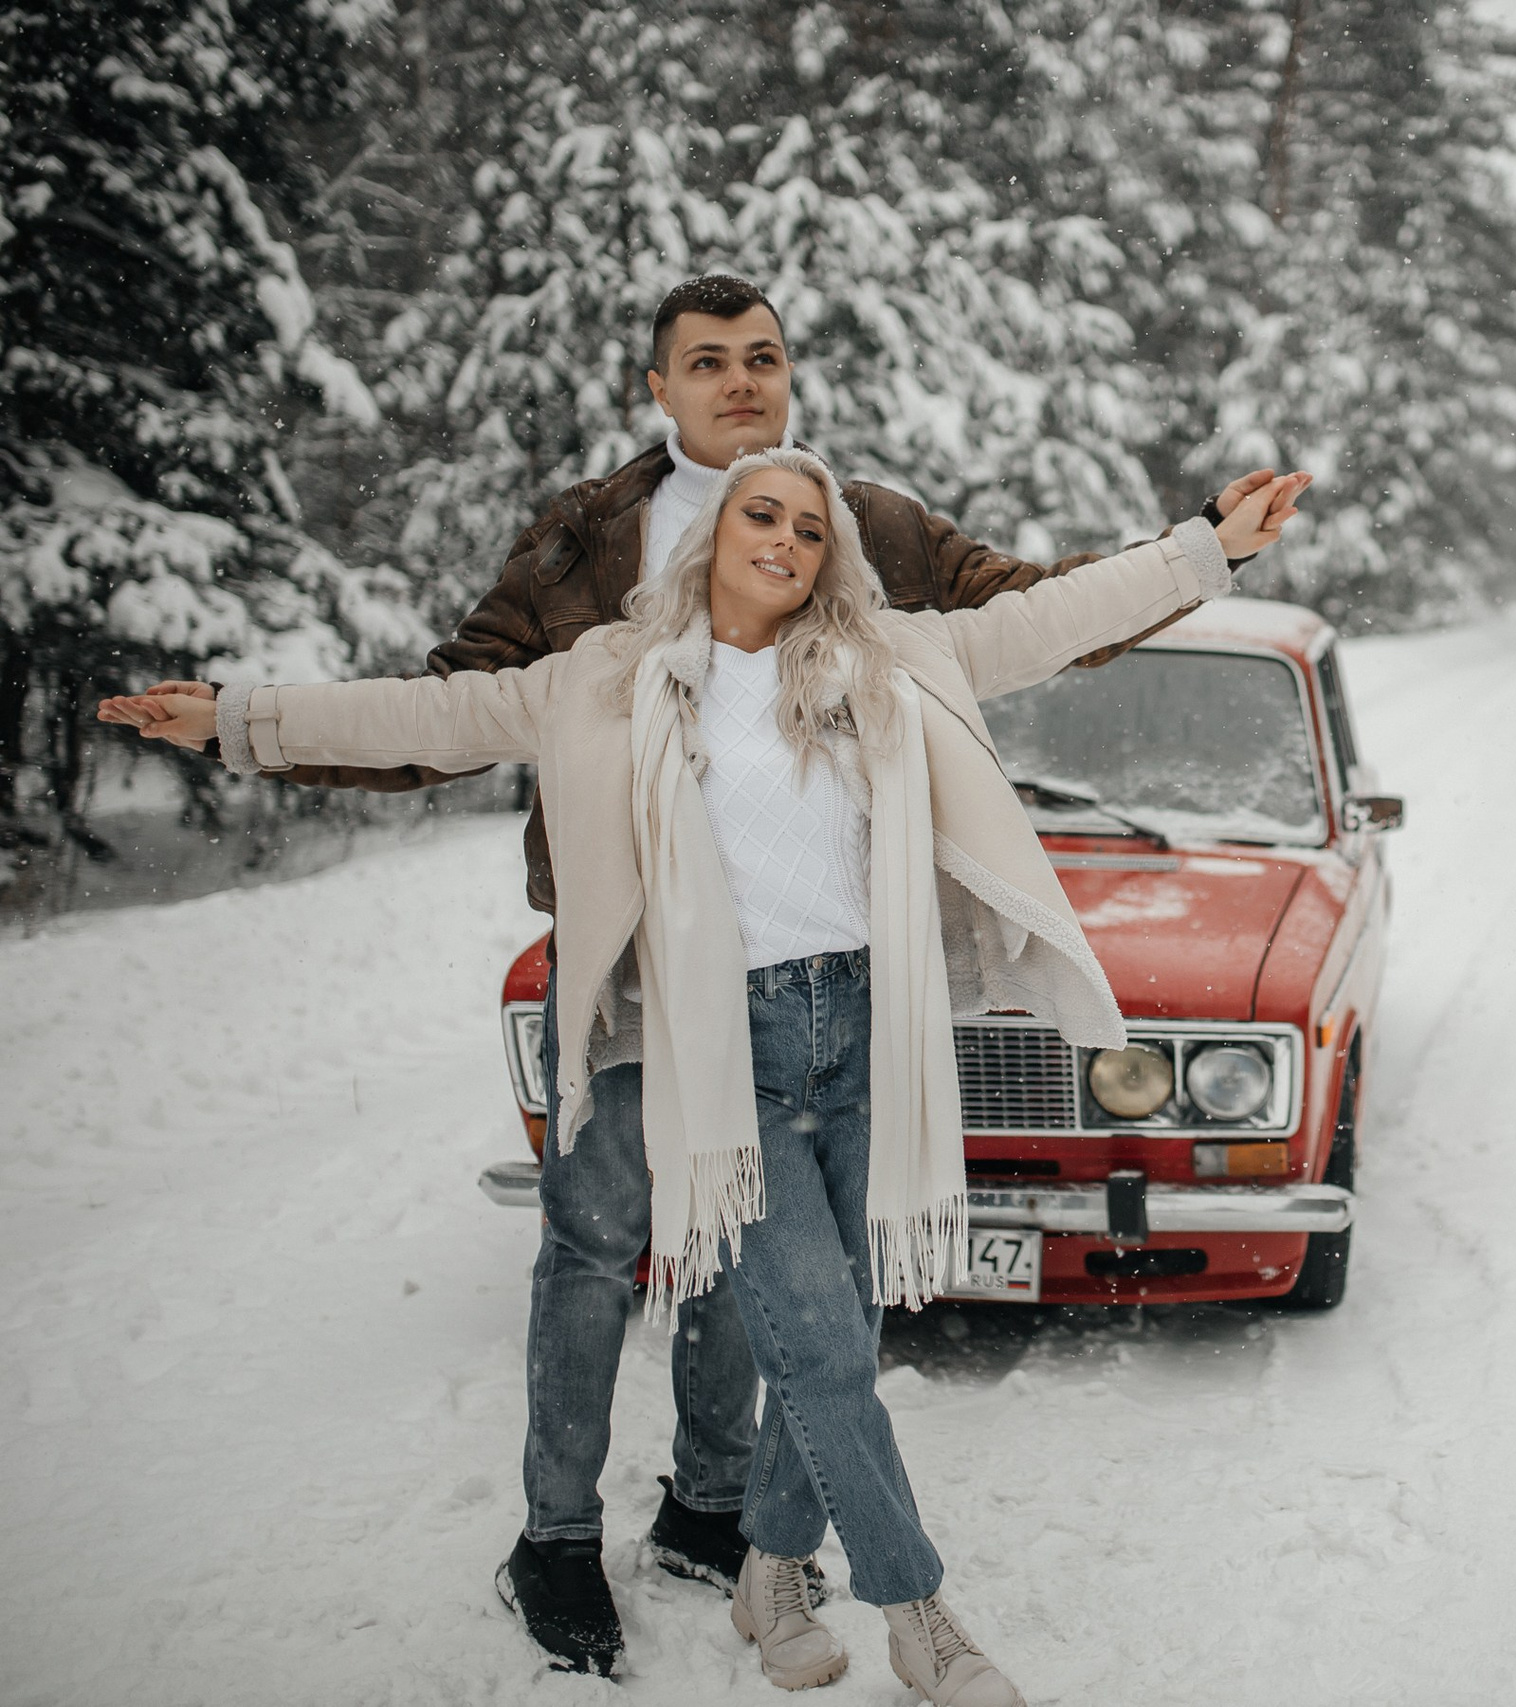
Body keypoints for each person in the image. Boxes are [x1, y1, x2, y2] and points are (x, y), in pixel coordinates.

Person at [99, 271, 1296, 1676]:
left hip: (871, 1026)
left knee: (825, 1319)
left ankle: (760, 1561)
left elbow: (1041, 619)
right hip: (703, 1027)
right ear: (674, 442)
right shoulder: (604, 653)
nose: (783, 530)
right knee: (709, 1293)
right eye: (756, 512)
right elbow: (432, 711)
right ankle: (888, 1614)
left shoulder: (880, 646)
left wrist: (1207, 547)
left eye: (807, 521)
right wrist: (239, 719)